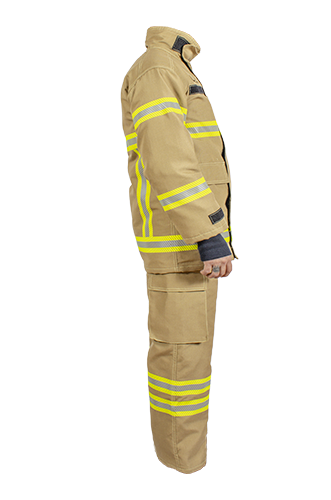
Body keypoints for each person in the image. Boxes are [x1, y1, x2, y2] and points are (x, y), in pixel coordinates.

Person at [120, 26, 236, 474]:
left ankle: (186, 463)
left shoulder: (172, 66)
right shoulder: (158, 68)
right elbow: (168, 160)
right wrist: (207, 234)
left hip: (187, 245)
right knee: (180, 365)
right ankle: (182, 470)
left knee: (190, 361)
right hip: (183, 244)